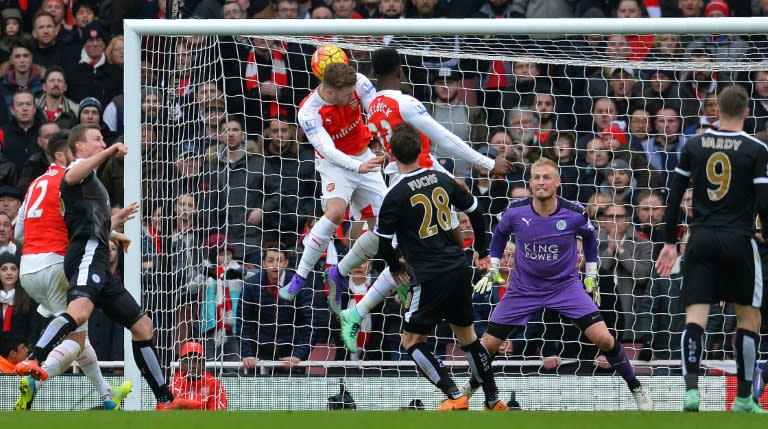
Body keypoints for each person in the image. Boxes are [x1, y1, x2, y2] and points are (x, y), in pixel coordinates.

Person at [333, 47, 514, 332]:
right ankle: (355, 296)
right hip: (423, 180)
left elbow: (362, 83)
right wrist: (488, 163)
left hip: (402, 178)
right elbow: (444, 137)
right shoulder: (405, 103)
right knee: (437, 244)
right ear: (400, 72)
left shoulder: (373, 103)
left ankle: (357, 296)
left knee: (418, 244)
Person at [467, 157, 653, 411]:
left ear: (557, 182)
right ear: (530, 182)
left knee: (604, 339)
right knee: (487, 345)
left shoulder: (574, 212)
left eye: (546, 177)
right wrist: (494, 265)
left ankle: (636, 387)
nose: (541, 182)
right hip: (524, 289)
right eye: (537, 177)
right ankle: (465, 395)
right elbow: (499, 235)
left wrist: (590, 273)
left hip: (565, 287)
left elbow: (589, 238)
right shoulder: (514, 211)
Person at [13, 124, 175, 410]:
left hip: (32, 265)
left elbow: (21, 233)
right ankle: (36, 365)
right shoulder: (71, 174)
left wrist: (112, 228)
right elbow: (76, 196)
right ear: (69, 152)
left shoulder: (38, 184)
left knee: (116, 330)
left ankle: (130, 397)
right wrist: (111, 151)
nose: (103, 143)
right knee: (77, 326)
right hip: (66, 261)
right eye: (97, 139)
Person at [368, 122, 505, 411]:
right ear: (421, 150)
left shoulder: (394, 195)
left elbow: (382, 246)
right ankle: (493, 399)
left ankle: (454, 394)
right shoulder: (442, 180)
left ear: (391, 155)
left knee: (411, 341)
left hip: (429, 275)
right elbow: (475, 211)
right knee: (468, 337)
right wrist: (481, 247)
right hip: (457, 268)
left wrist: (395, 266)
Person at [656, 85, 768, 413]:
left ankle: (692, 391)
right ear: (747, 112)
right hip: (739, 238)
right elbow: (764, 201)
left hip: (700, 238)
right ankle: (744, 398)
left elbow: (674, 196)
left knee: (695, 317)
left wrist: (668, 242)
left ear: (715, 111)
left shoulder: (694, 144)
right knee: (748, 318)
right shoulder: (755, 148)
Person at [279, 62, 386, 310]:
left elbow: (378, 113)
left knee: (382, 226)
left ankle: (340, 271)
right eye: (347, 95)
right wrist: (356, 167)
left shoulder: (358, 82)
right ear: (329, 93)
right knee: (335, 212)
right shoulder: (308, 112)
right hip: (334, 164)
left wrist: (384, 146)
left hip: (363, 156)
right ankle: (300, 277)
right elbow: (327, 149)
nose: (352, 98)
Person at [168, 341, 228, 410]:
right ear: (181, 364)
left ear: (203, 364)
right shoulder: (173, 383)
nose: (193, 365)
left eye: (197, 361)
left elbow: (218, 414)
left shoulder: (213, 384)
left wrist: (184, 403)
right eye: (188, 361)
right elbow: (161, 410)